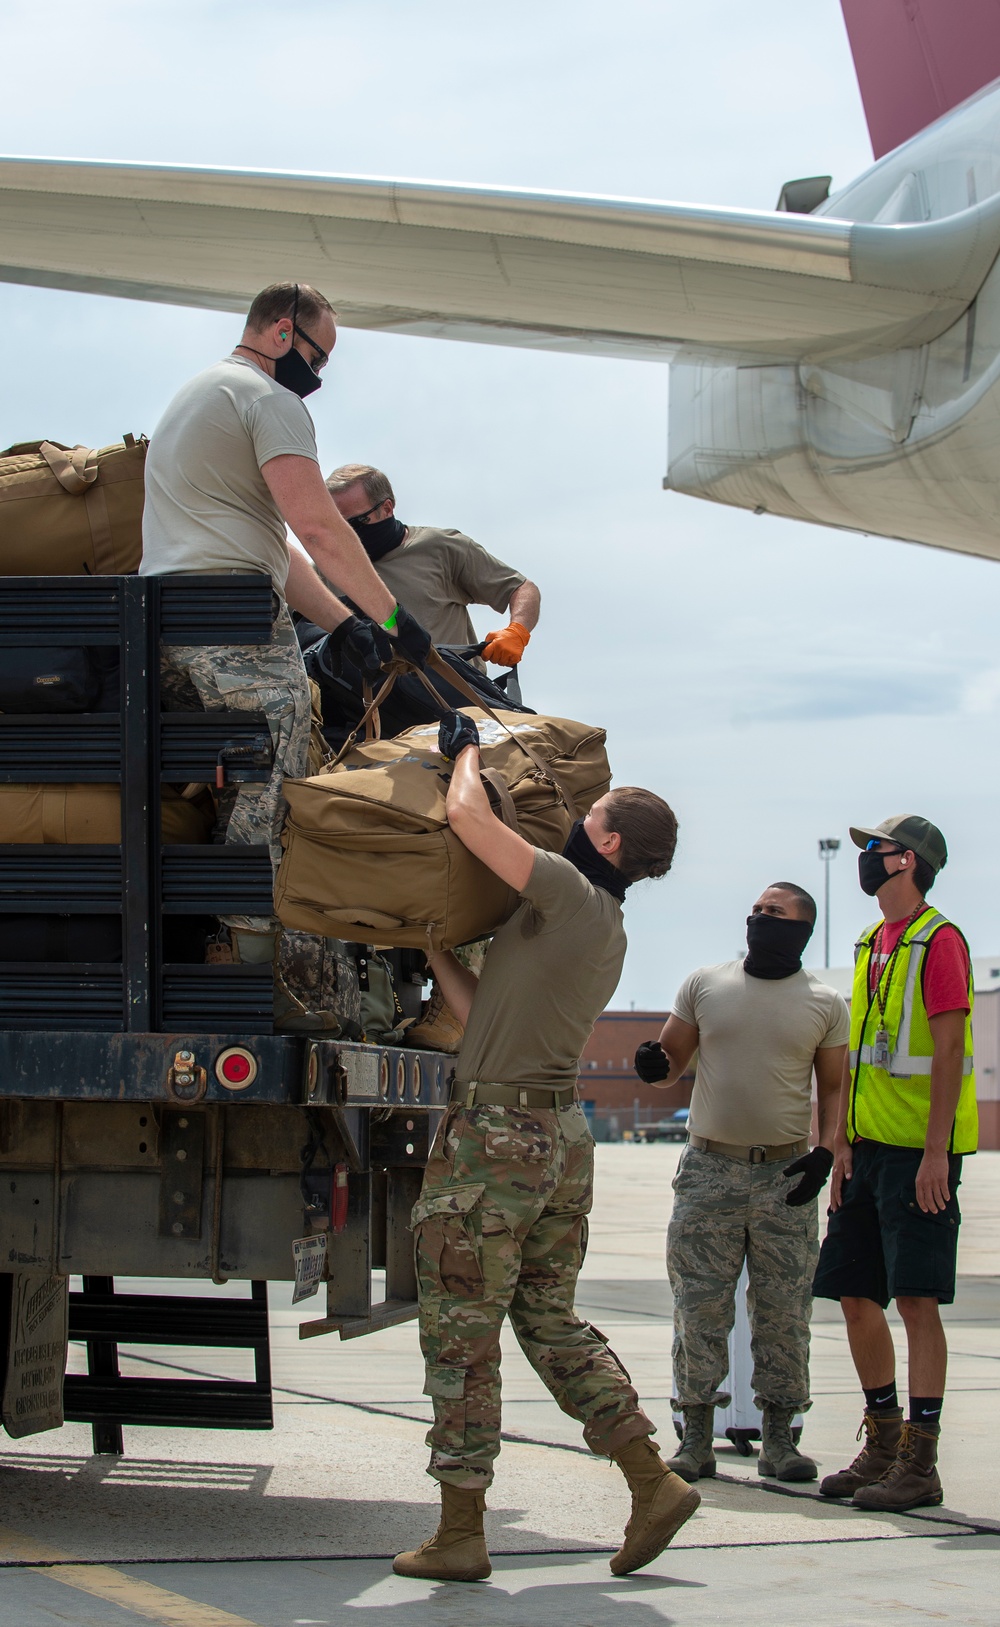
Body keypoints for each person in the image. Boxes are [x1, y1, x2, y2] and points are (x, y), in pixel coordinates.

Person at [393, 712, 694, 1583]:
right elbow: (485, 1008)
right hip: (553, 1134)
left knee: (460, 1328)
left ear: (602, 834)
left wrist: (465, 752)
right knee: (546, 1318)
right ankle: (652, 1478)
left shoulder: (563, 886)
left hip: (496, 1141)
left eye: (589, 811)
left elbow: (467, 819)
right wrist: (432, 948)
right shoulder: (601, 919)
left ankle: (459, 1531)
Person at [140, 283, 431, 955]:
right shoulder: (272, 402)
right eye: (316, 355)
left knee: (253, 759)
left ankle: (217, 916)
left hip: (169, 622)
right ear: (279, 332)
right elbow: (321, 529)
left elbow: (278, 547)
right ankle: (246, 935)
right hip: (226, 618)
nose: (317, 374)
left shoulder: (202, 393)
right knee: (289, 743)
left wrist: (342, 625)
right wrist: (392, 620)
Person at [634, 885, 849, 1483]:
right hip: (710, 1171)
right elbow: (670, 1059)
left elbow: (833, 1088)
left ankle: (780, 1440)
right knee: (698, 1308)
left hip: (786, 1173)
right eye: (755, 910)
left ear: (801, 929)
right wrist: (655, 1064)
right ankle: (696, 1436)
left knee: (784, 1312)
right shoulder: (706, 984)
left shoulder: (825, 1003)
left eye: (774, 914)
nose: (759, 918)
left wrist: (825, 1152)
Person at [813, 815, 977, 1512]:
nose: (867, 862)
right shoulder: (869, 942)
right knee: (854, 1294)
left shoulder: (939, 941)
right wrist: (841, 1141)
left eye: (874, 851)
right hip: (868, 1148)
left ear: (906, 860)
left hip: (919, 1154)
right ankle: (881, 1441)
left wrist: (937, 1153)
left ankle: (920, 1458)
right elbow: (858, 1052)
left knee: (915, 1300)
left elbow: (946, 1053)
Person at [325, 463, 541, 661]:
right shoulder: (324, 571)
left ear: (387, 508)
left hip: (452, 695)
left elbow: (521, 588)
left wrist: (517, 632)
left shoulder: (441, 548)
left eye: (357, 522)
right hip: (364, 699)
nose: (347, 533)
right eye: (336, 524)